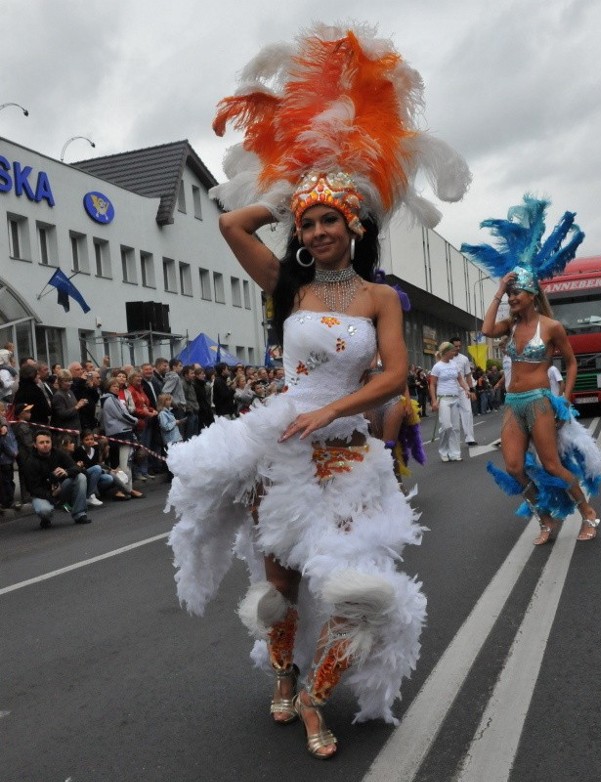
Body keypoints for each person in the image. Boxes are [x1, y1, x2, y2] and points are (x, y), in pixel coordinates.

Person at [166, 22, 470, 761]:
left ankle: (313, 697)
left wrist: (337, 409)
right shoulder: (288, 288)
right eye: (311, 223)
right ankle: (283, 675)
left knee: (355, 592)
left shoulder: (380, 299)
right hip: (282, 453)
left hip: (346, 456)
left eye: (332, 218)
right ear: (301, 233)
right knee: (283, 582)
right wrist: (291, 191)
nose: (322, 229)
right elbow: (229, 220)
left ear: (355, 224)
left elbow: (395, 375)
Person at [463, 195, 601, 545]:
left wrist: (565, 402)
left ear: (531, 294)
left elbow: (570, 363)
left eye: (516, 294)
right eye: (510, 294)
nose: (512, 299)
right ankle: (545, 519)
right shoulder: (508, 326)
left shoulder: (551, 327)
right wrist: (497, 291)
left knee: (553, 465)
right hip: (514, 403)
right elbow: (485, 329)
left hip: (540, 401)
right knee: (513, 466)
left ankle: (588, 513)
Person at [22, 430, 92, 528]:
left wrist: (66, 472)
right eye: (41, 443)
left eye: (47, 442)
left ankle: (79, 514)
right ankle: (45, 519)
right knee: (44, 511)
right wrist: (51, 493)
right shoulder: (30, 462)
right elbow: (32, 488)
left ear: (51, 443)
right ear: (35, 445)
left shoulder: (58, 453)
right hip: (43, 494)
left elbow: (76, 467)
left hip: (61, 490)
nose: (45, 445)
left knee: (81, 477)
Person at [429, 342, 470, 462]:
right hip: (443, 398)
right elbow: (432, 384)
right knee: (446, 426)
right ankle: (443, 451)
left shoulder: (454, 364)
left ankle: (455, 453)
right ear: (446, 352)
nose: (455, 353)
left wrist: (467, 389)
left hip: (455, 397)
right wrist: (434, 401)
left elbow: (460, 380)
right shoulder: (437, 366)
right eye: (453, 351)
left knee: (456, 427)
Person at [99, 377, 139, 486]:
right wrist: (135, 421)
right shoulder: (110, 399)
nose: (117, 388)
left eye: (117, 386)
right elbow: (121, 415)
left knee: (124, 463)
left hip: (116, 433)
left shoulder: (110, 399)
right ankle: (125, 489)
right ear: (108, 387)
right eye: (114, 386)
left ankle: (128, 488)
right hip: (121, 433)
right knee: (124, 464)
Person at [450, 338, 477, 445]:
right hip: (450, 392)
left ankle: (470, 437)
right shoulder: (446, 359)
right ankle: (452, 440)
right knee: (452, 417)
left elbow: (468, 376)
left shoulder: (464, 359)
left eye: (459, 346)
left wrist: (471, 390)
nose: (458, 348)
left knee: (468, 412)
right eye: (455, 346)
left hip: (463, 390)